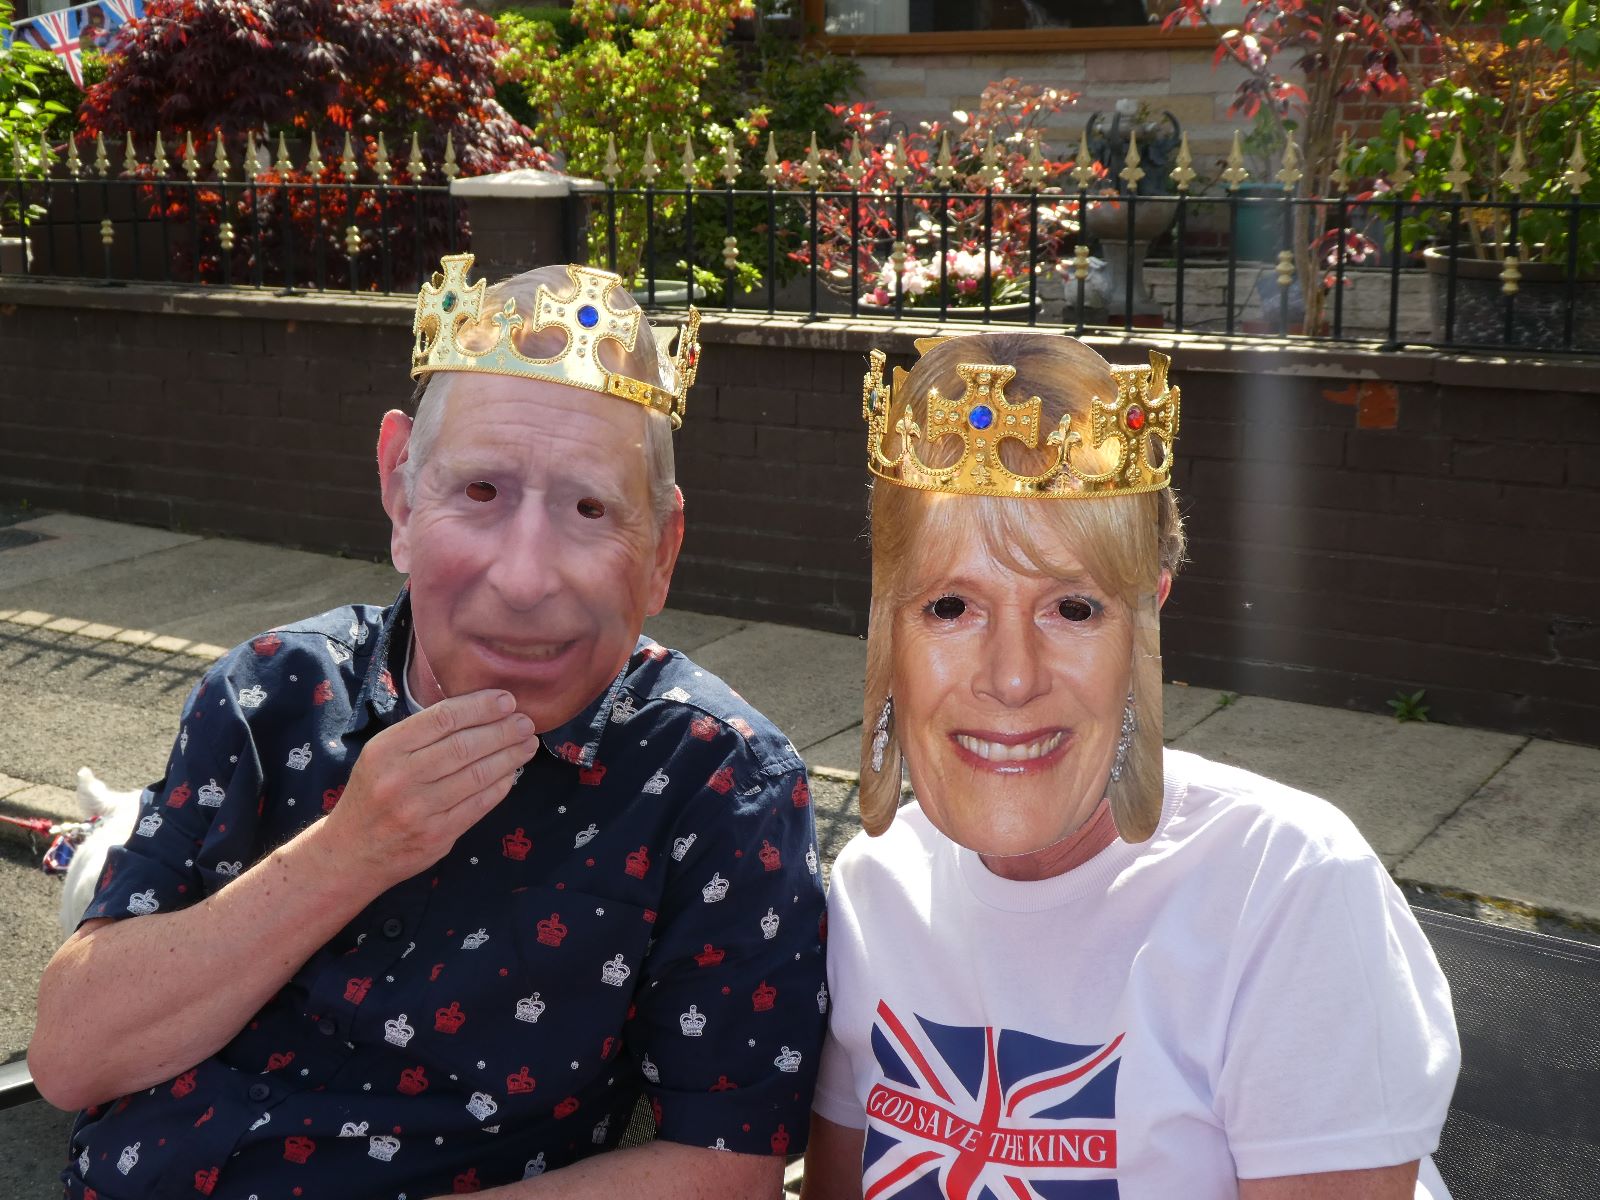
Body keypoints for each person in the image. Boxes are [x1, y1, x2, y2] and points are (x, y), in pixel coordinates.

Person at [30, 256, 828, 1199]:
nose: (524, 580)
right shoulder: (271, 691)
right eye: (481, 492)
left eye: (591, 509)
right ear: (402, 494)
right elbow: (72, 1059)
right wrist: (350, 852)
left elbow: (728, 1165)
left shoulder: (715, 781)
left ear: (662, 551)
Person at [801, 333, 1459, 1199]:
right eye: (951, 605)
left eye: (1073, 608)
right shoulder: (873, 889)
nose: (1011, 677)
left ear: (1148, 617)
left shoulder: (1283, 891)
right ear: (888, 620)